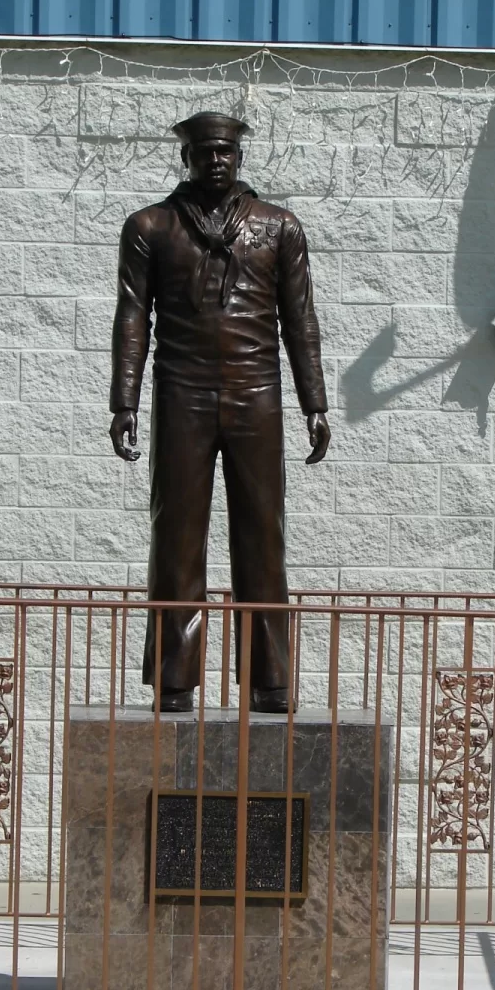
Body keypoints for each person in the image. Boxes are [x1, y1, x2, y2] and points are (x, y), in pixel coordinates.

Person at [109, 112, 331, 713]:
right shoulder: (150, 226)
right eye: (204, 151)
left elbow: (300, 320)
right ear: (185, 158)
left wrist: (314, 402)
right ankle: (175, 678)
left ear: (239, 157)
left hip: (256, 391)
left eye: (225, 151)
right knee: (176, 537)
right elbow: (133, 316)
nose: (216, 160)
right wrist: (124, 400)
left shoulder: (278, 227)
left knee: (263, 534)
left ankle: (270, 678)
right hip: (181, 392)